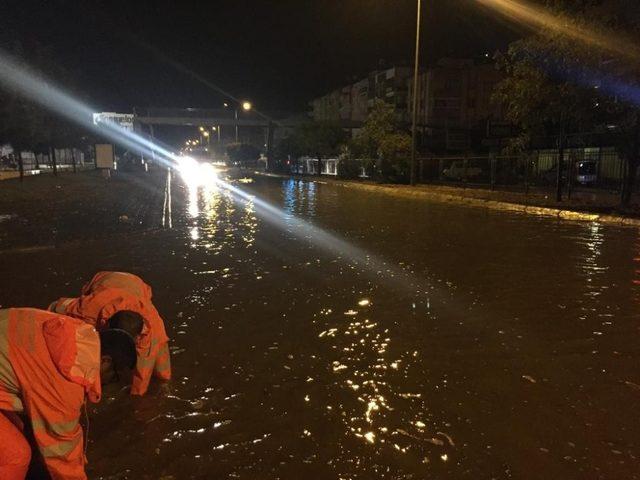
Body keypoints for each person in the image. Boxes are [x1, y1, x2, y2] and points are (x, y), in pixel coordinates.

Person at [0, 307, 136, 480]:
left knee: (21, 429)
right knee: (15, 455)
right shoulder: (64, 385)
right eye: (115, 377)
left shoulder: (77, 332)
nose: (109, 385)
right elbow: (61, 453)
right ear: (105, 361)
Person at [49, 271, 171, 396]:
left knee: (161, 366)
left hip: (136, 286)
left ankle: (164, 382)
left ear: (138, 337)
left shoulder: (152, 327)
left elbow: (142, 374)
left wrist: (137, 396)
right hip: (104, 282)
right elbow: (54, 307)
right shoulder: (87, 310)